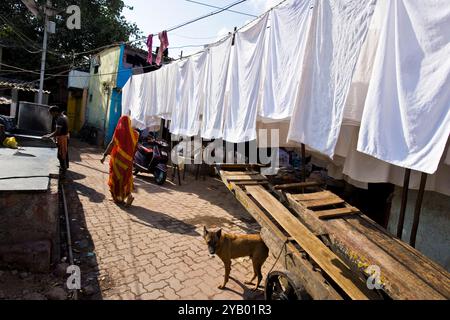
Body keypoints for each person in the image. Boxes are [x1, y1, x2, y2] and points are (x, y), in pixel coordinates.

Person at [101, 115, 139, 207]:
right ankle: (126, 196)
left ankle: (117, 197)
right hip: (128, 161)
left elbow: (112, 143)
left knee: (116, 178)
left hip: (118, 159)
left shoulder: (118, 132)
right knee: (125, 179)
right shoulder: (135, 134)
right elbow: (135, 148)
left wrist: (104, 155)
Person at [43, 106, 70, 176]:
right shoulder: (64, 116)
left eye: (51, 113)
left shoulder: (60, 119)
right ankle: (64, 168)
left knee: (60, 155)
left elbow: (58, 132)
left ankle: (63, 171)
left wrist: (48, 136)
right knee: (63, 154)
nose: (51, 115)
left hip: (62, 138)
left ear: (55, 112)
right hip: (65, 137)